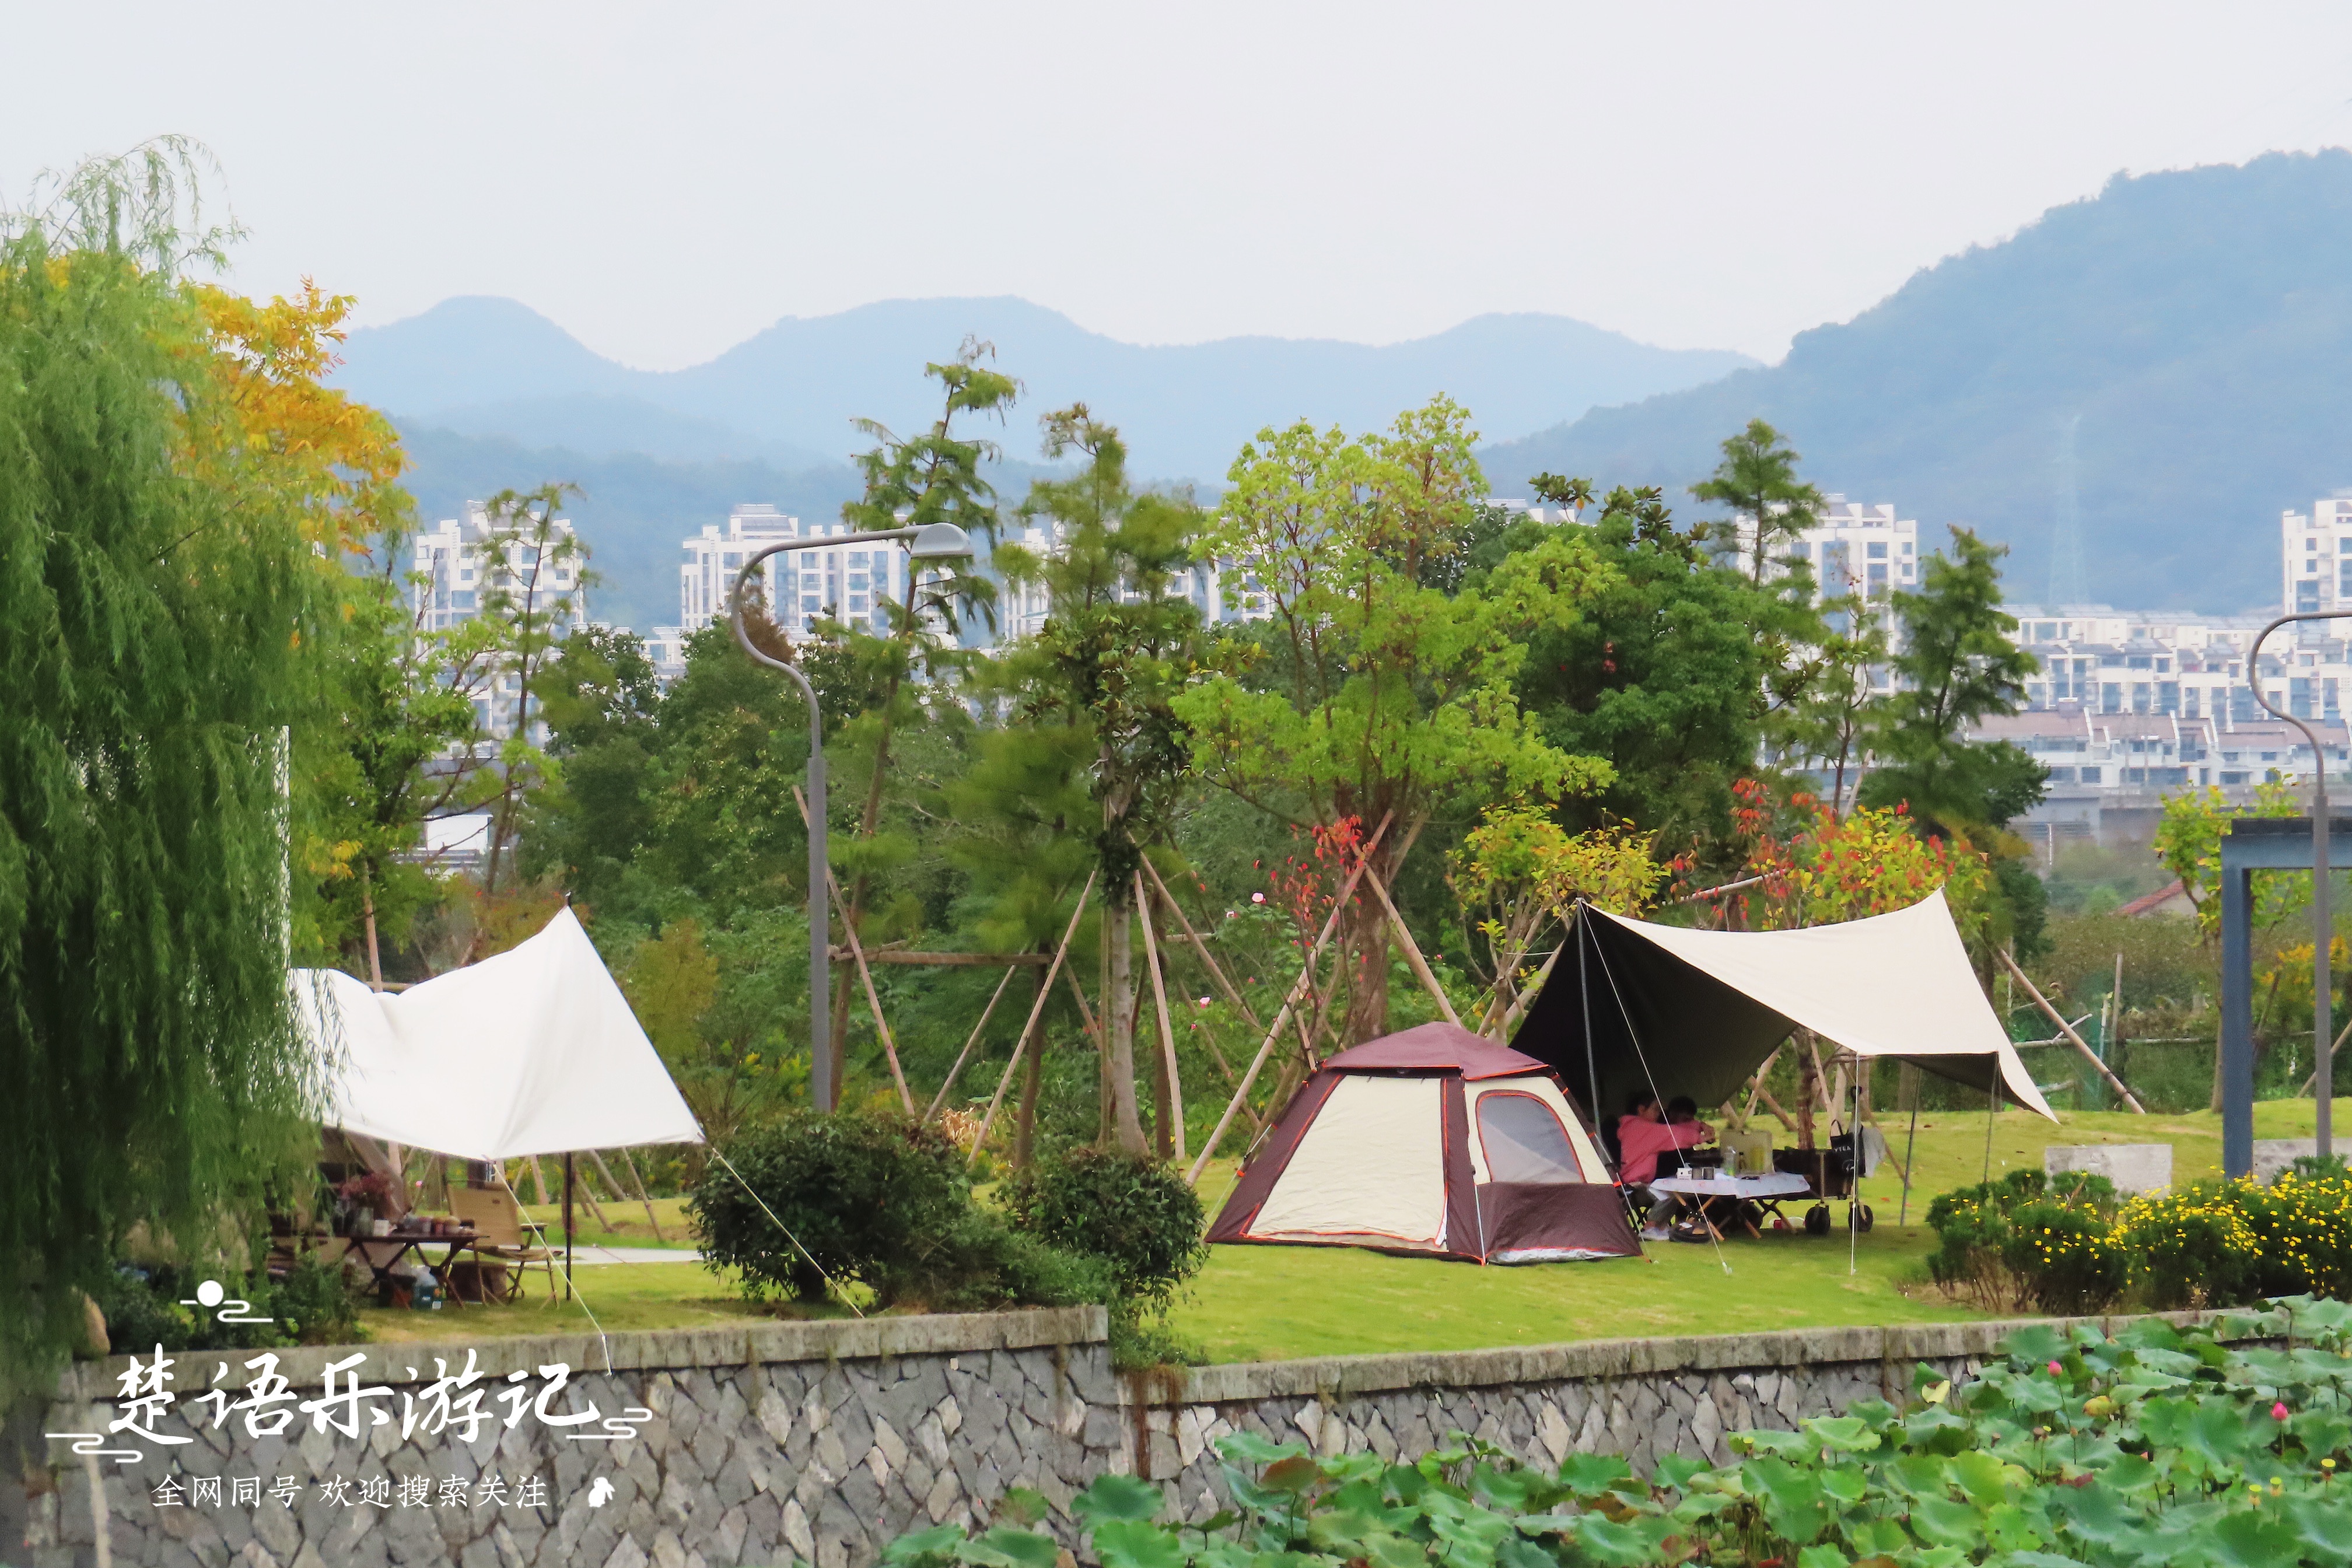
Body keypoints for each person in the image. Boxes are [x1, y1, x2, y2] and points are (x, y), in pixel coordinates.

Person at [1617, 1094, 1715, 1241]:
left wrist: (1700, 1125)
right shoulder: (1641, 1129)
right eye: (1656, 1109)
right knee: (1669, 1192)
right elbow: (1674, 1133)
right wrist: (1701, 1138)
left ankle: (1660, 1227)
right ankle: (1650, 1227)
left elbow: (1676, 1128)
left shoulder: (1635, 1126)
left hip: (1640, 1184)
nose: (1660, 1114)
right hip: (1634, 1187)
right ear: (1641, 1109)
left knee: (1670, 1191)